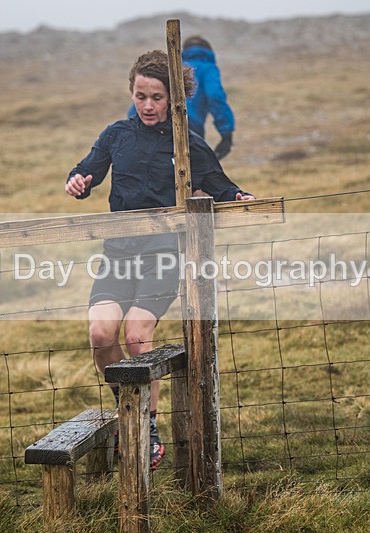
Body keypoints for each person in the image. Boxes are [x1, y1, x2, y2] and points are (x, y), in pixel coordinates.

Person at [65, 49, 254, 470]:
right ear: (131, 93)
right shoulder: (116, 135)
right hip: (117, 257)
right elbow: (87, 171)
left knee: (136, 336)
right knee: (100, 333)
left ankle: (146, 428)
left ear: (174, 99)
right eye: (140, 96)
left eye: (156, 97)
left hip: (164, 256)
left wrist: (240, 198)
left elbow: (222, 186)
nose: (147, 105)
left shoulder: (188, 140)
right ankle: (126, 412)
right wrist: (77, 181)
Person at [127, 35, 236, 159]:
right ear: (209, 51)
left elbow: (144, 99)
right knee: (189, 171)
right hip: (190, 127)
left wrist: (135, 125)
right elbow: (215, 96)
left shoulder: (172, 68)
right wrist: (226, 133)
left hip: (158, 123)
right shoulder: (208, 68)